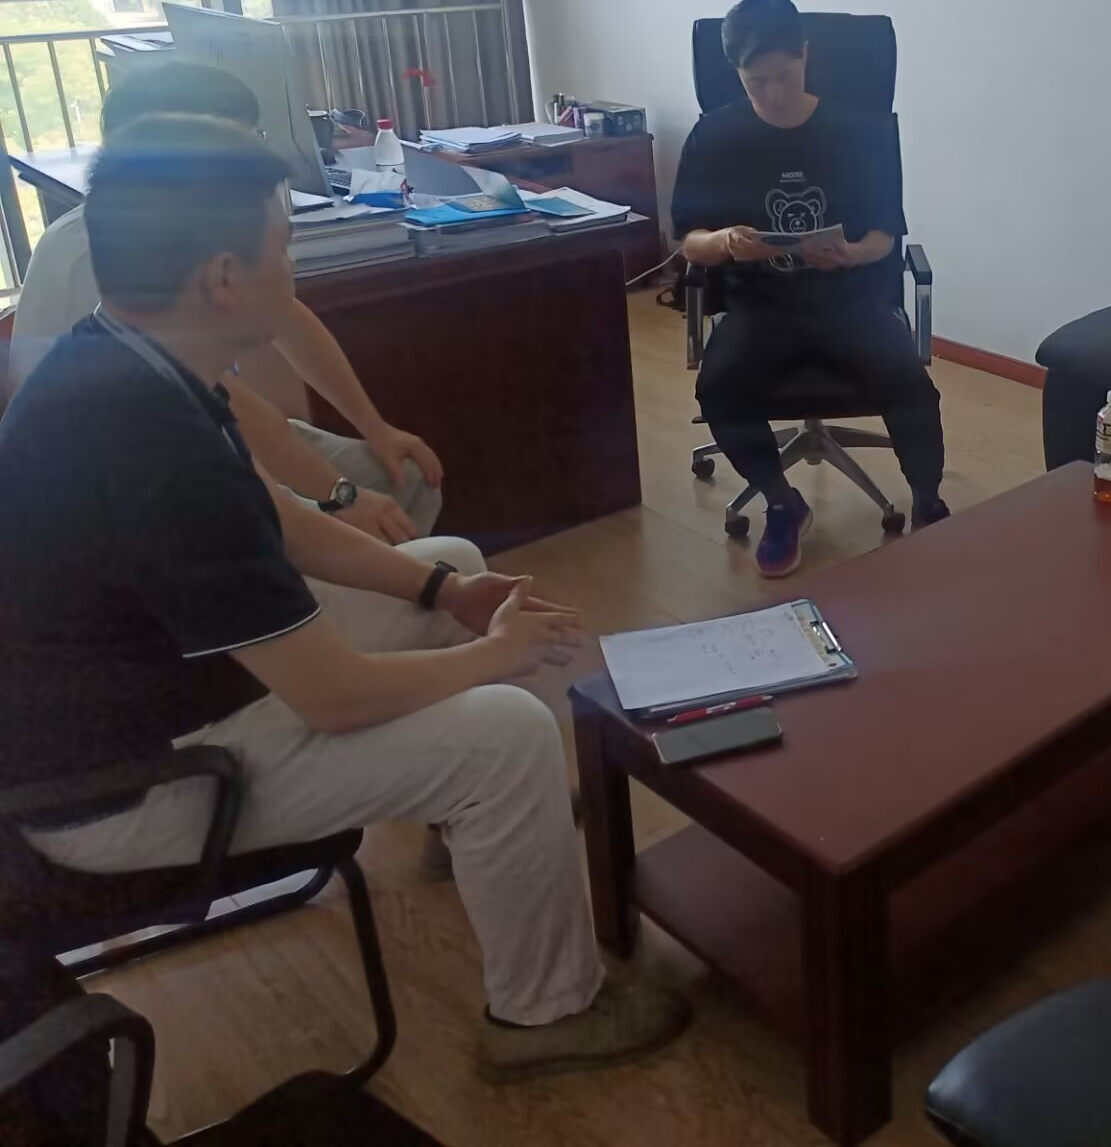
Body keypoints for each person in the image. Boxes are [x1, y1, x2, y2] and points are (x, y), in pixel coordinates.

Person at [0, 116, 687, 1080]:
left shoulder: (117, 358)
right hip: (125, 791)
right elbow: (332, 697)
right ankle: (544, 1013)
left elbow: (273, 515)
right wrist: (496, 654)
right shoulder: (154, 448)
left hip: (147, 703)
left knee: (446, 560)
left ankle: (471, 826)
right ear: (224, 278)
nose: (294, 268)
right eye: (284, 245)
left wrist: (446, 588)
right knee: (507, 732)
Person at [7, 64, 443, 543]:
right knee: (396, 531)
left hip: (188, 438)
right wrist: (339, 496)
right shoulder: (105, 249)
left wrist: (376, 429)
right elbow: (222, 404)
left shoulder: (180, 224)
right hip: (120, 490)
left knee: (405, 480)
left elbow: (286, 319)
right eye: (238, 140)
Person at [673, 0, 947, 576]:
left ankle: (927, 498)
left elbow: (886, 235)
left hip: (850, 301)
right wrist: (724, 242)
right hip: (760, 305)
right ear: (735, 72)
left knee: (909, 384)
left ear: (805, 54)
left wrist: (851, 254)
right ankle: (783, 502)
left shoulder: (858, 131)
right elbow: (689, 241)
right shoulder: (714, 136)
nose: (774, 92)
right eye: (757, 81)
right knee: (720, 387)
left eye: (785, 76)